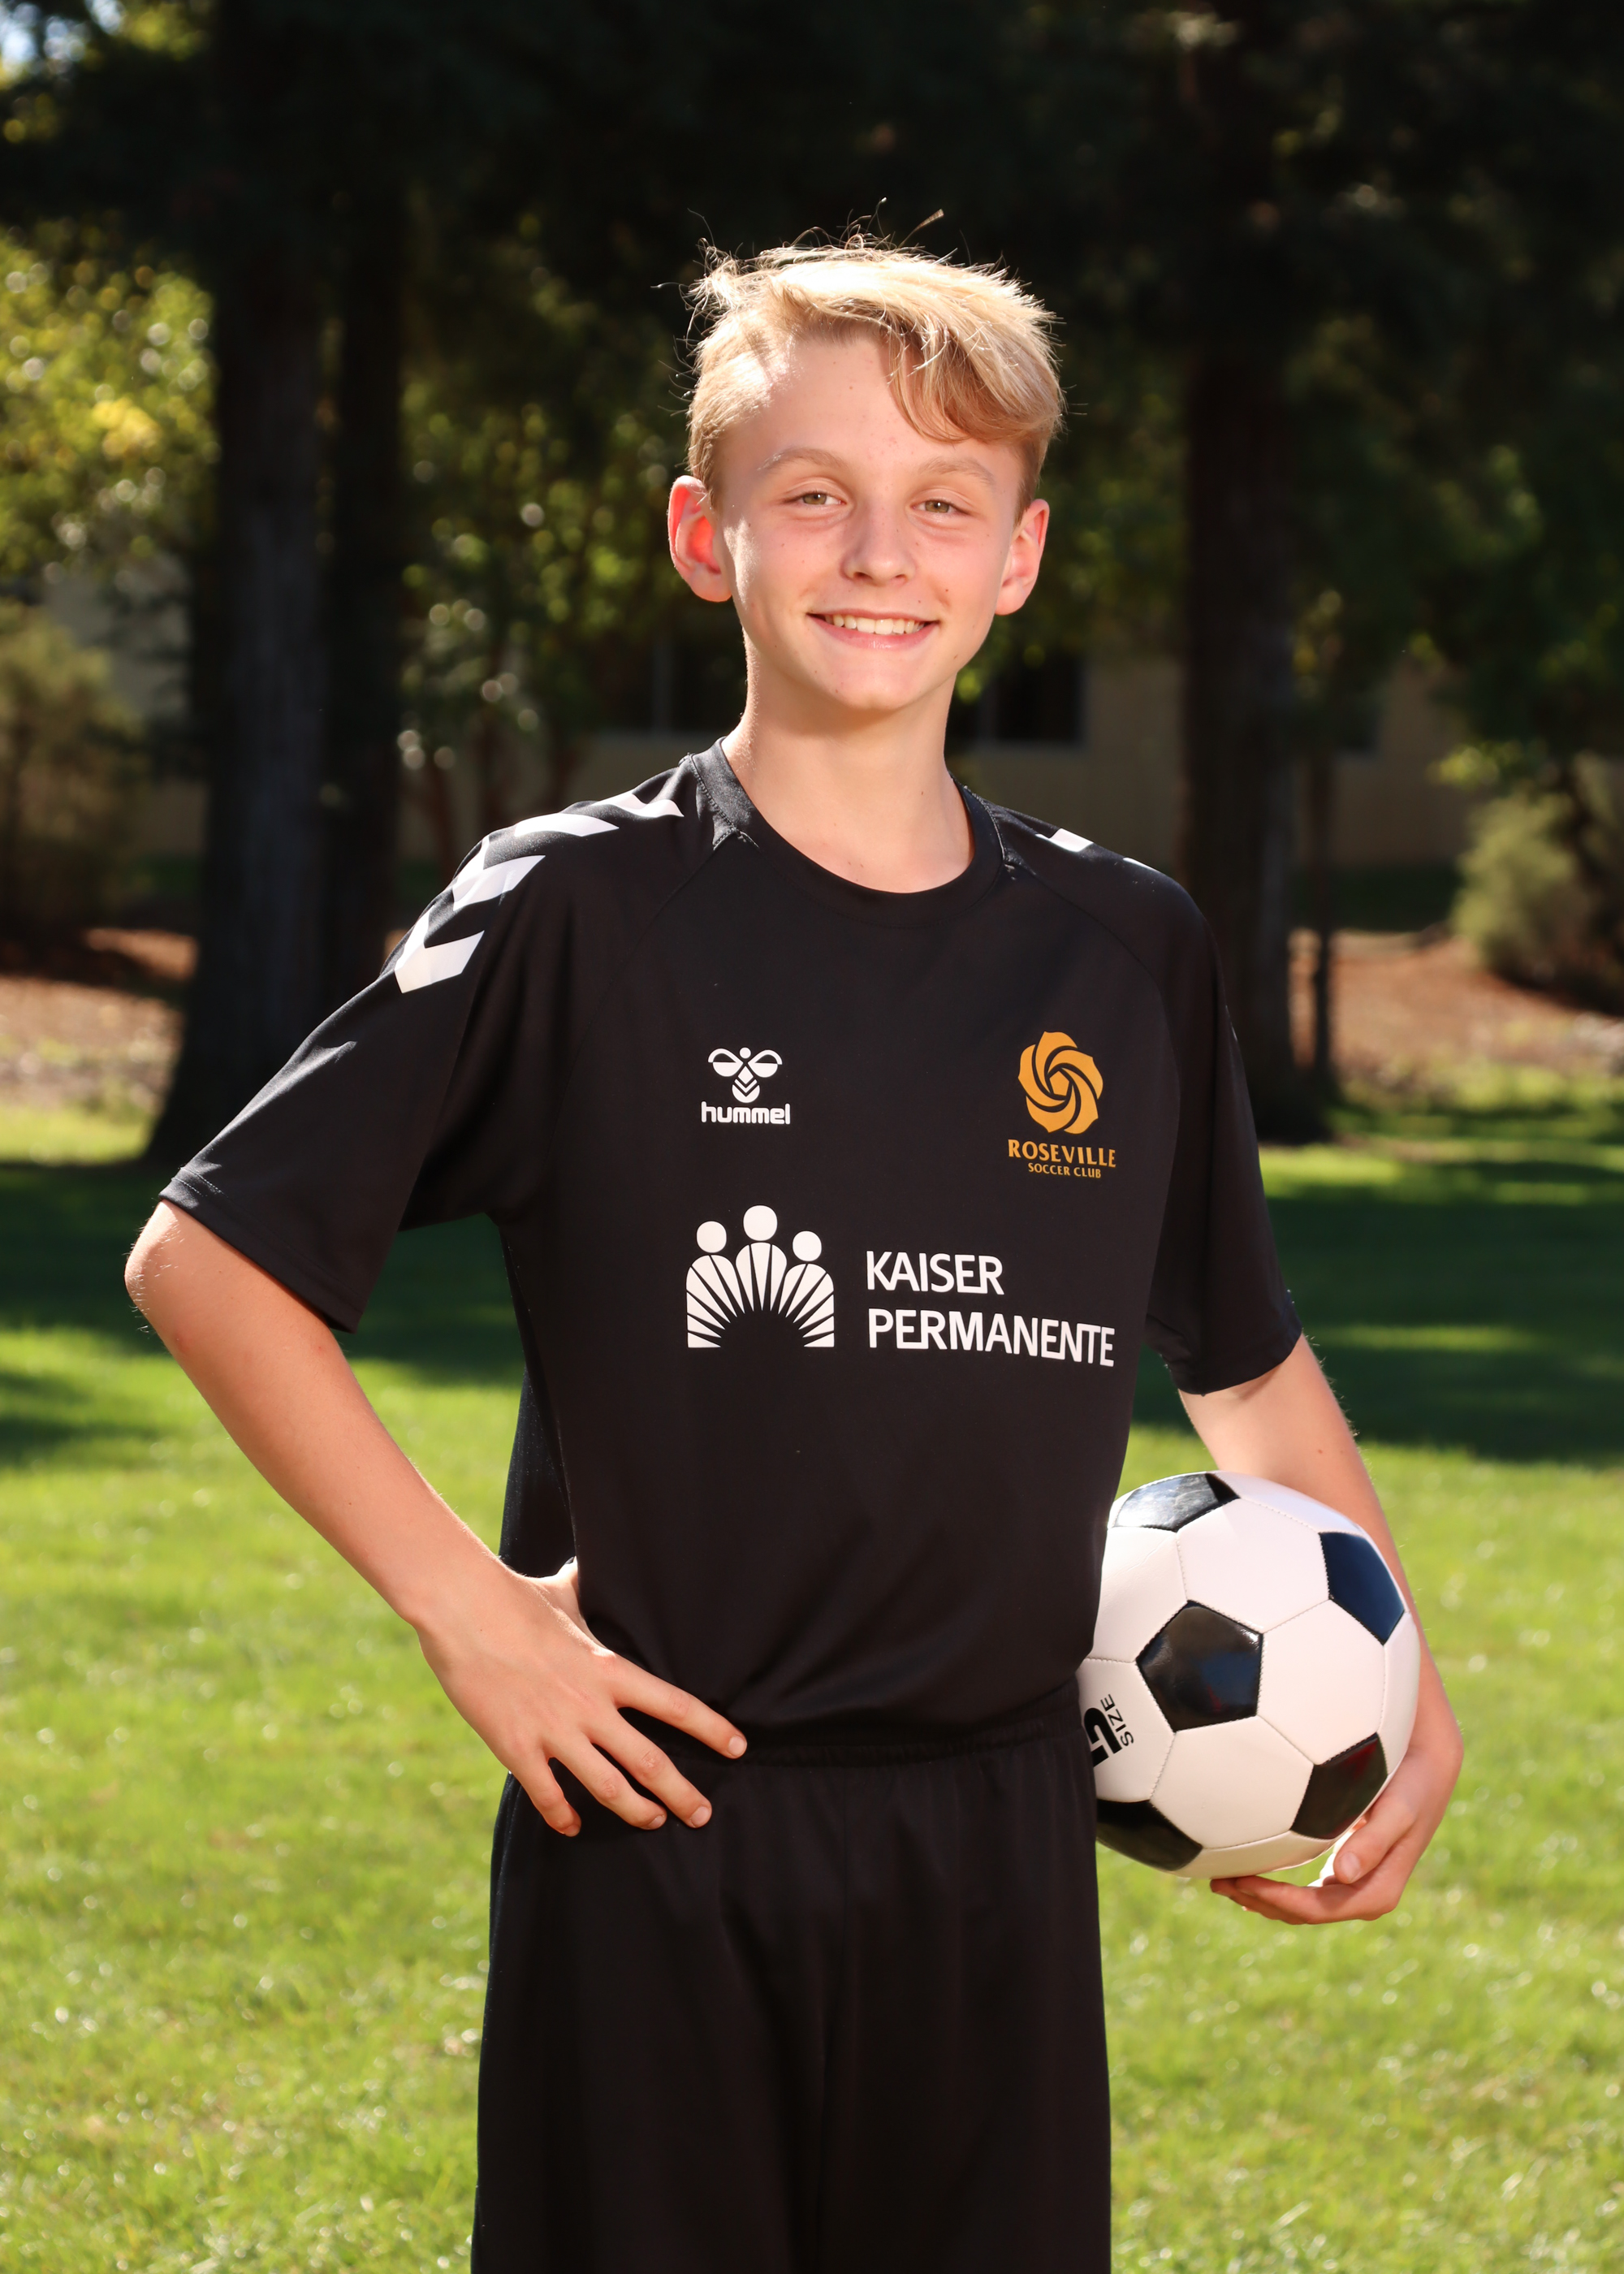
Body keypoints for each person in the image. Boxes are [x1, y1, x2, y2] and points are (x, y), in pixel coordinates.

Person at [124, 239, 1462, 2274]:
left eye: (945, 501)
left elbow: (1243, 1359)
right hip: (654, 1829)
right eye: (815, 492)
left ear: (1018, 558)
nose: (881, 552)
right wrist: (473, 1614)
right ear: (707, 534)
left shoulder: (1124, 949)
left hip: (1002, 1842)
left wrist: (1395, 1663)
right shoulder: (578, 908)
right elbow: (210, 1258)